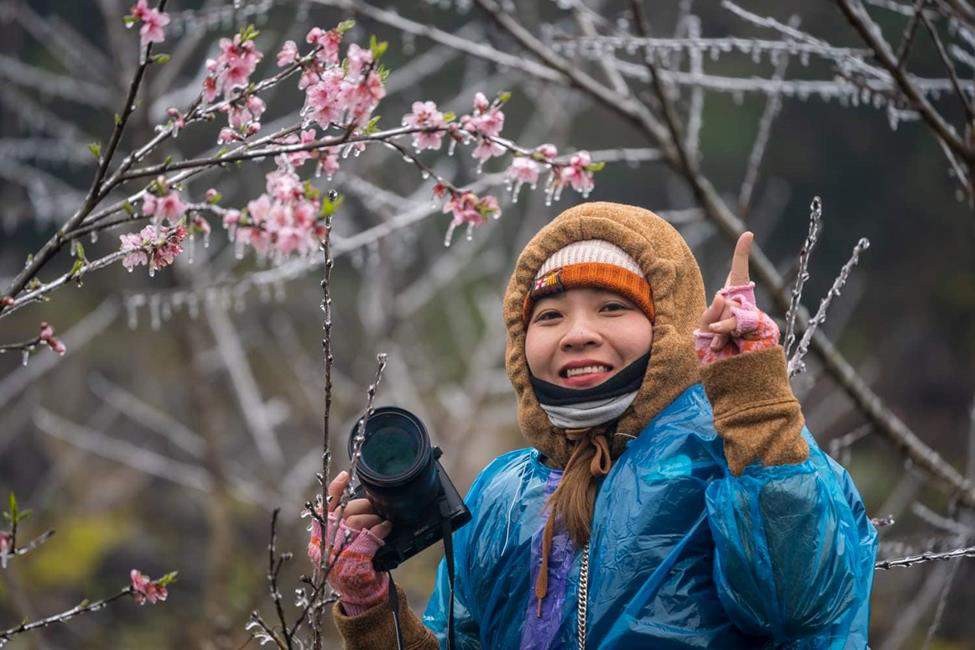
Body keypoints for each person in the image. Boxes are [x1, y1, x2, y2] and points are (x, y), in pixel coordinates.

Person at [323, 201, 878, 648]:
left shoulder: (736, 453)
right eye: (549, 316)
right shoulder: (500, 494)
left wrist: (753, 398)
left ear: (669, 326)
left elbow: (799, 608)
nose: (576, 333)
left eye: (612, 307)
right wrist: (371, 606)